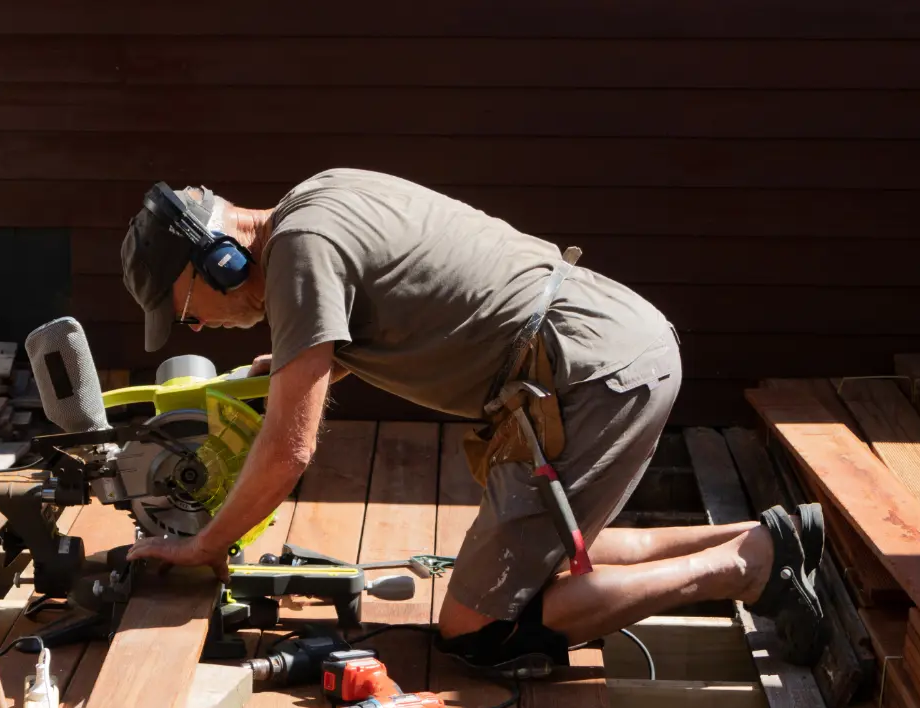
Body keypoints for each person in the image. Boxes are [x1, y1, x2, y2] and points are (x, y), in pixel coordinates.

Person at [118, 169, 828, 673]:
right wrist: (289, 370)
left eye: (186, 311)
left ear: (217, 258)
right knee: (546, 560)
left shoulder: (299, 257)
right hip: (603, 347)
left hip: (588, 376)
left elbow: (287, 451)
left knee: (477, 628)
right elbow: (398, 307)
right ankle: (760, 536)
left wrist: (207, 543)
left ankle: (742, 567)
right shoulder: (317, 200)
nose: (200, 329)